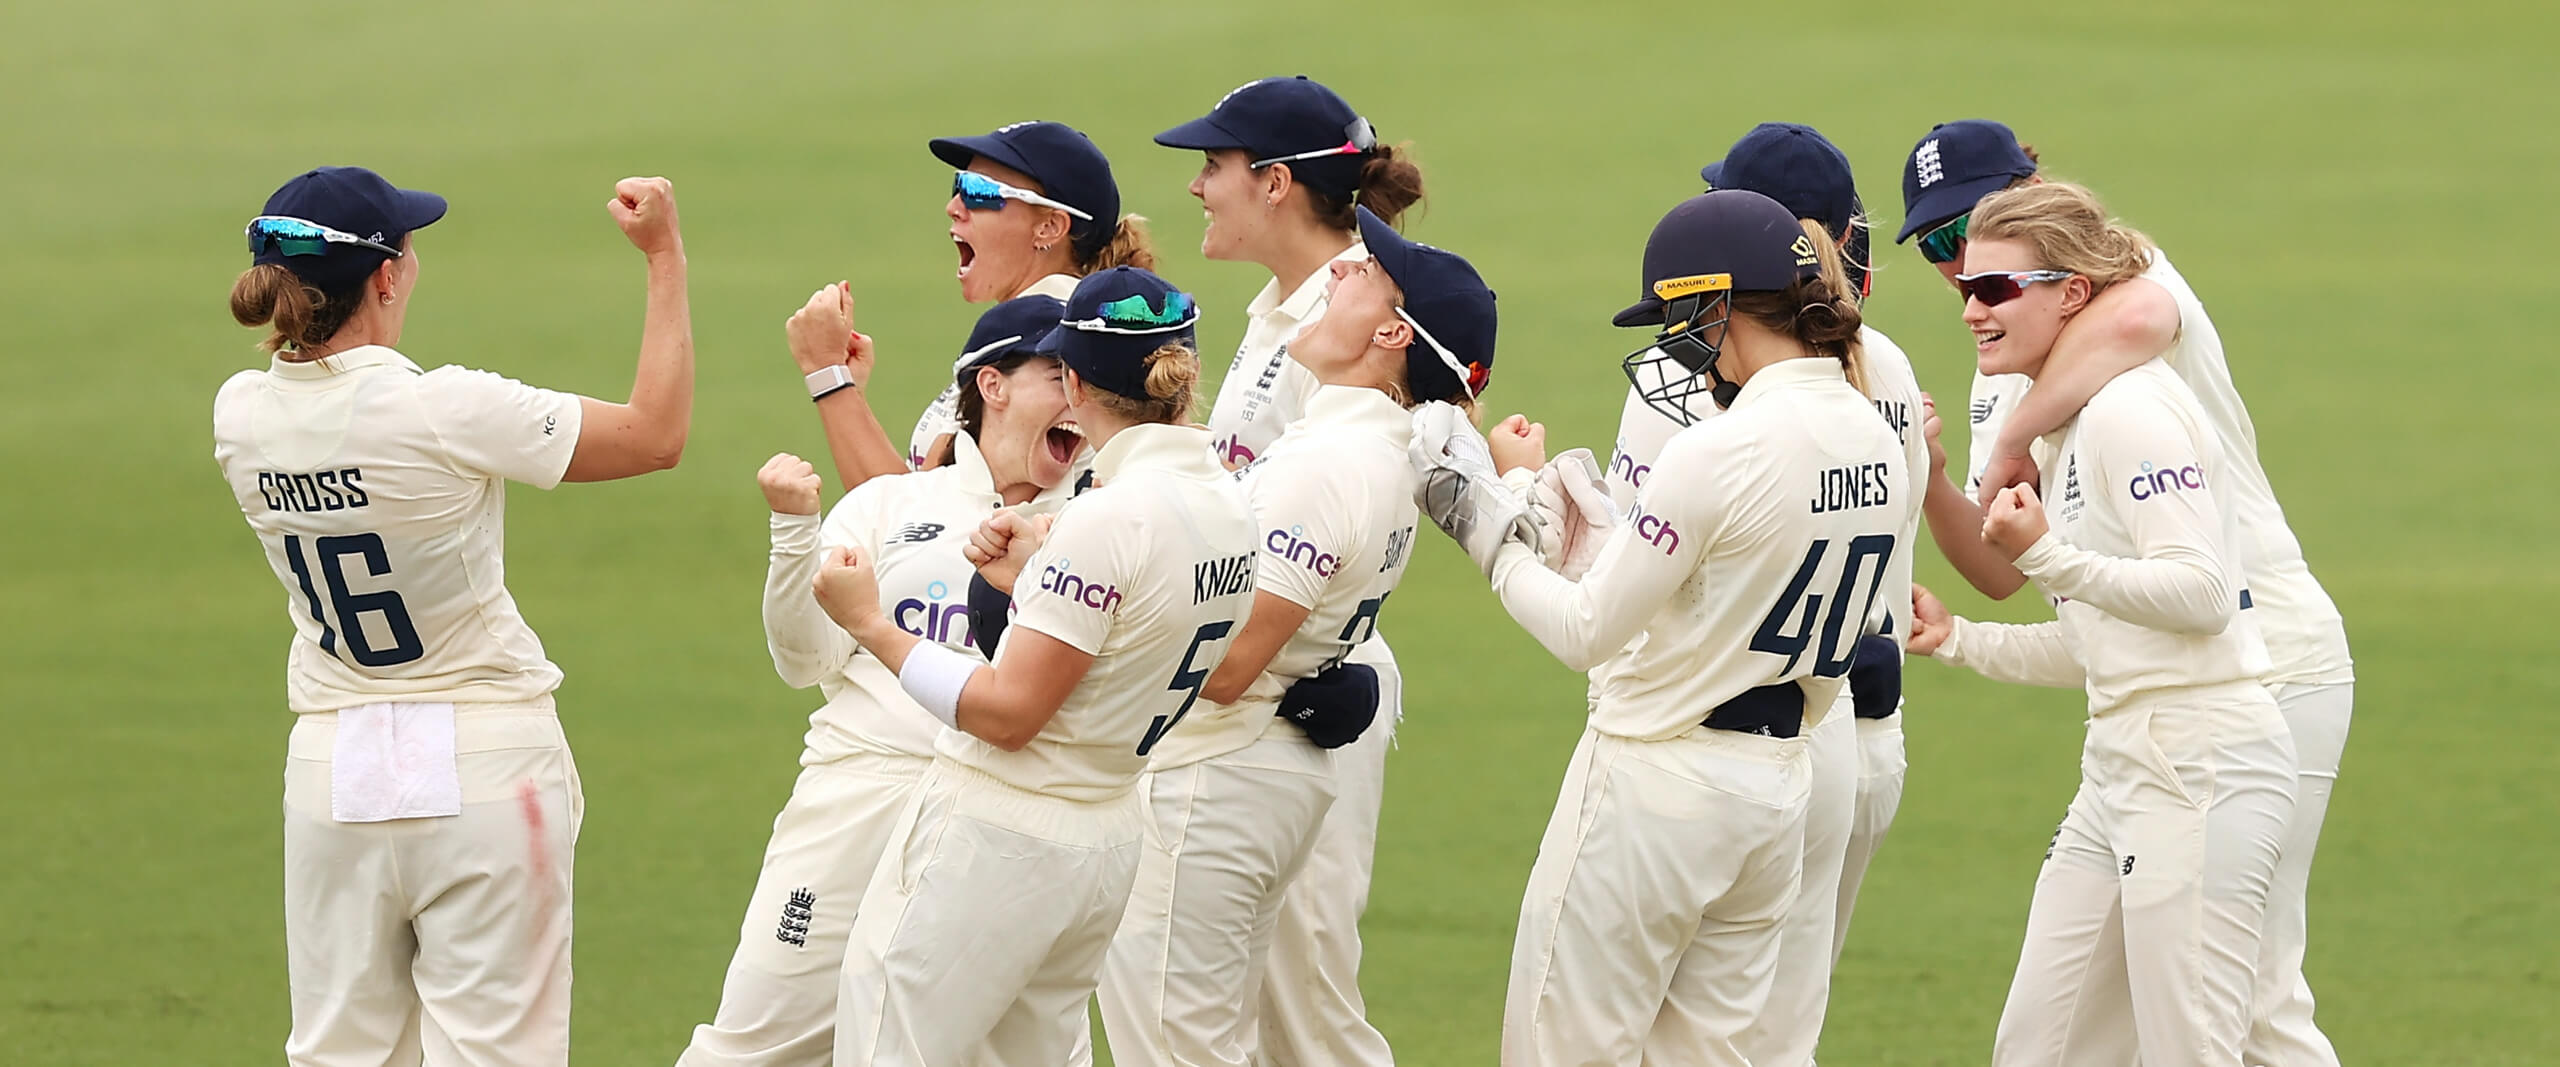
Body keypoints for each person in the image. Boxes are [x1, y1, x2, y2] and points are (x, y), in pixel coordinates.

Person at [214, 166, 693, 1065]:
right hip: (484, 763)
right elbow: (656, 433)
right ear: (386, 276)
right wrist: (663, 255)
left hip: (331, 767)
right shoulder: (442, 408)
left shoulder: (238, 416)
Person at [1903, 121, 2353, 1067]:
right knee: (2056, 1039)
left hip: (2268, 664)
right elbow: (2002, 563)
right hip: (2141, 711)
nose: (1959, 281)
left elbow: (2139, 322)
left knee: (2253, 1007)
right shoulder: (2013, 359)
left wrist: (2021, 436)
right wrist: (1937, 478)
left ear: (2036, 192)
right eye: (1943, 248)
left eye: (1978, 247)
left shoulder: (2122, 300)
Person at [1462, 190, 1912, 1065]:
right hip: (1775, 789)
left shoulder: (1718, 445)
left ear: (1720, 304)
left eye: (1680, 317)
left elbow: (1587, 630)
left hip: (1656, 788)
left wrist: (1498, 528)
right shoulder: (1872, 432)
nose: (1675, 343)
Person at [810, 267, 1259, 1065]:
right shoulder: (1231, 506)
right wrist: (1040, 575)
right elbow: (1131, 619)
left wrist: (872, 624)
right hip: (1106, 833)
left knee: (887, 1043)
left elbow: (1007, 714)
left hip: (999, 830)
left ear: (1078, 384)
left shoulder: (1106, 516)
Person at [1096, 206, 1495, 1067]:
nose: (1341, 271)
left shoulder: (1329, 465)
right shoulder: (1356, 449)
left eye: (1365, 275)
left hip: (1212, 778)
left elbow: (1233, 660)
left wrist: (1083, 624)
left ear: (1391, 331)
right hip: (1254, 775)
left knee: (1175, 1046)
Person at [673, 295, 1086, 1065]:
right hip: (858, 798)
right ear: (992, 385)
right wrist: (793, 533)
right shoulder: (892, 503)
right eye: (1058, 372)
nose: (1079, 394)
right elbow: (804, 660)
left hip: (1005, 820)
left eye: (1086, 377)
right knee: (754, 1045)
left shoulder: (1099, 521)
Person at [1150, 74, 1431, 1065]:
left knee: (1306, 1001)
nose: (1196, 185)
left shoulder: (1360, 301)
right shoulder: (1286, 309)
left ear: (1273, 182)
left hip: (1305, 682)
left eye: (1213, 165)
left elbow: (1425, 453)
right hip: (1250, 678)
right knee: (1257, 1000)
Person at [1638, 122, 1928, 1065]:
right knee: (1783, 1029)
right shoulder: (1883, 362)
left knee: (1671, 1030)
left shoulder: (1699, 369)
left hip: (1704, 731)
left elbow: (1639, 562)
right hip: (1848, 721)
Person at [783, 119, 1154, 491]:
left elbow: (912, 528)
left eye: (979, 191)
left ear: (1050, 227)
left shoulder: (1036, 345)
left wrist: (828, 375)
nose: (953, 206)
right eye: (959, 184)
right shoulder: (1058, 324)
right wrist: (851, 392)